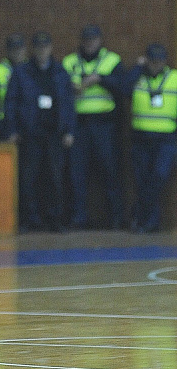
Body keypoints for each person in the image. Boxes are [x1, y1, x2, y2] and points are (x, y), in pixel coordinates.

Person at [5, 31, 75, 232]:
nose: (42, 51)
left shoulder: (60, 72)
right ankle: (29, 220)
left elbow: (69, 104)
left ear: (51, 48)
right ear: (33, 49)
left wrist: (70, 130)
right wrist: (12, 129)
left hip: (55, 134)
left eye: (45, 47)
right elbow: (11, 102)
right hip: (30, 134)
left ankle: (55, 219)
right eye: (38, 47)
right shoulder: (22, 72)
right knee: (28, 179)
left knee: (55, 178)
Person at [62, 24, 125, 229]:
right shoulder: (69, 62)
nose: (90, 43)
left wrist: (100, 79)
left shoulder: (112, 60)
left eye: (94, 39)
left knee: (110, 172)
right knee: (76, 173)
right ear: (81, 41)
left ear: (100, 40)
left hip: (104, 126)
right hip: (78, 126)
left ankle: (115, 218)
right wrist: (71, 87)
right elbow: (60, 89)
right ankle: (78, 218)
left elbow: (123, 86)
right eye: (87, 39)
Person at [123, 43, 177, 233]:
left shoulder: (174, 79)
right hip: (141, 139)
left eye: (160, 61)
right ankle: (149, 223)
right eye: (152, 61)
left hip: (167, 140)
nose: (156, 64)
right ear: (147, 60)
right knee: (143, 180)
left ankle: (140, 215)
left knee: (158, 177)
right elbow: (122, 89)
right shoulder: (137, 77)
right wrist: (137, 67)